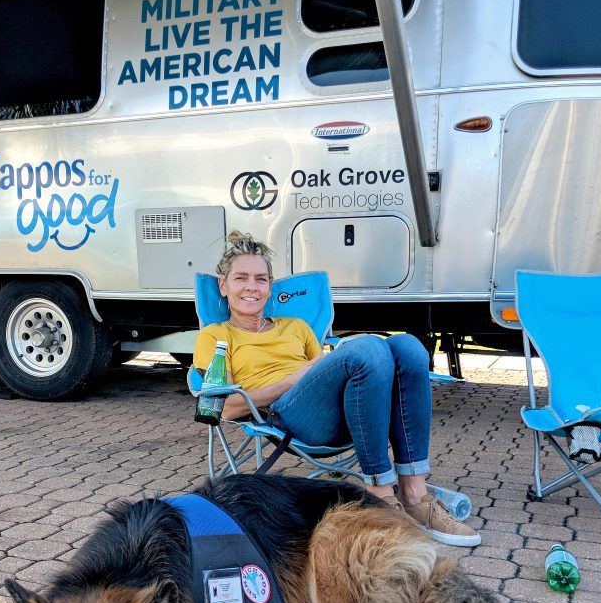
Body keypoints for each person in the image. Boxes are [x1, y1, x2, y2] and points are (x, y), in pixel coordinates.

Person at [193, 231, 481, 546]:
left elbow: (325, 374)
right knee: (367, 348)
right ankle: (380, 495)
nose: (252, 287)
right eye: (241, 278)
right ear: (223, 285)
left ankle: (415, 494)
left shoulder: (296, 327)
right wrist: (296, 378)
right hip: (287, 415)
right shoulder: (215, 336)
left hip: (347, 413)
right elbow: (226, 407)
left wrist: (318, 372)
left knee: (409, 347)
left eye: (261, 279)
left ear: (270, 286)